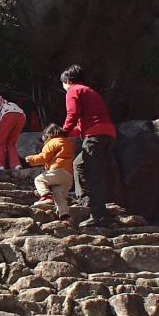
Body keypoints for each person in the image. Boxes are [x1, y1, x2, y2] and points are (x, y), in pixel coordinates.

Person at [59, 65, 117, 228]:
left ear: (68, 80)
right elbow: (83, 124)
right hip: (107, 134)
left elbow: (72, 114)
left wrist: (63, 132)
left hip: (95, 136)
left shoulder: (73, 90)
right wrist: (65, 133)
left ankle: (98, 215)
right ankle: (85, 200)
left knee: (93, 175)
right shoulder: (89, 91)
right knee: (79, 164)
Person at [27, 123, 75, 223]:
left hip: (58, 170)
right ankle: (65, 215)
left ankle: (46, 196)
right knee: (57, 193)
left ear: (48, 134)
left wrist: (31, 159)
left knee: (39, 179)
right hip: (68, 176)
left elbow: (44, 157)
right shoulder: (68, 142)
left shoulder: (52, 142)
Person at [0, 95, 27, 171]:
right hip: (22, 116)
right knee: (11, 144)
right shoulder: (10, 103)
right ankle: (16, 165)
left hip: (9, 115)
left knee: (0, 142)